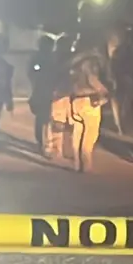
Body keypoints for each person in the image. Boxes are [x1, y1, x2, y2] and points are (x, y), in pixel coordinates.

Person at [67, 33, 112, 172]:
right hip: (89, 100)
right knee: (90, 133)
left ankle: (76, 163)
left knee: (77, 131)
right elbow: (92, 79)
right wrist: (104, 91)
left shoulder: (74, 61)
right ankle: (86, 164)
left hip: (75, 98)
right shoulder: (91, 61)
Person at [27, 35, 58, 152]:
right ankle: (43, 143)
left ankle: (45, 143)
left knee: (46, 119)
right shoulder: (38, 58)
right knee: (43, 119)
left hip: (49, 91)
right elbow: (32, 73)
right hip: (42, 91)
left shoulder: (53, 58)